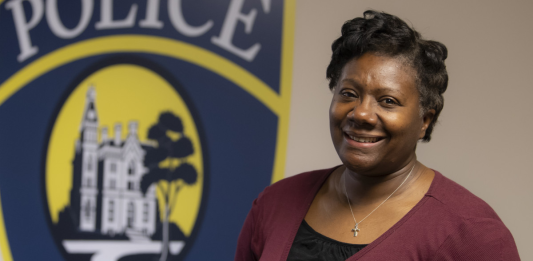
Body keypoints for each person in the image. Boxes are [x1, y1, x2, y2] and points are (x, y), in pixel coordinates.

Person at [235, 10, 520, 261]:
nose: (361, 114)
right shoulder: (275, 203)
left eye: (388, 101)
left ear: (425, 120)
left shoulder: (471, 233)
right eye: (349, 94)